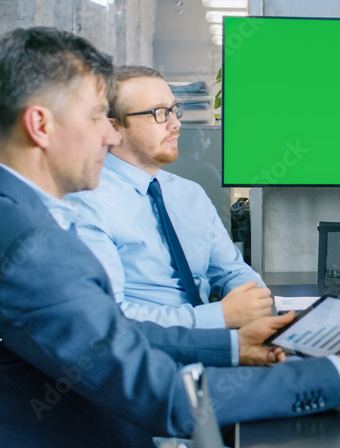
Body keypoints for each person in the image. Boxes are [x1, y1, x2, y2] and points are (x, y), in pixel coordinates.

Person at [0, 27, 340, 448]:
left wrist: (233, 347)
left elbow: (107, 339)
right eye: (98, 117)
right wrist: (339, 377)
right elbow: (160, 394)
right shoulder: (29, 245)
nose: (109, 135)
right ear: (40, 125)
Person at [67, 66, 269, 329]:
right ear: (112, 127)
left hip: (222, 338)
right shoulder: (87, 203)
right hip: (154, 354)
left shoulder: (189, 193)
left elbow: (232, 271)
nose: (176, 124)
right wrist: (219, 317)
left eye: (175, 109)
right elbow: (110, 318)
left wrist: (255, 304)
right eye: (159, 113)